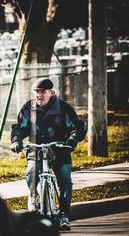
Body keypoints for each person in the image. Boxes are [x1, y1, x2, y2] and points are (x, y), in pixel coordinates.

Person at [10, 78, 87, 230]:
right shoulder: (29, 108)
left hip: (60, 149)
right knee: (31, 172)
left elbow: (78, 127)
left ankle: (64, 215)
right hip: (36, 149)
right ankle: (33, 197)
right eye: (37, 92)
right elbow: (19, 127)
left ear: (51, 92)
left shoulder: (63, 108)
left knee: (65, 179)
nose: (39, 95)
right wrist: (16, 140)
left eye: (43, 92)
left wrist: (72, 140)